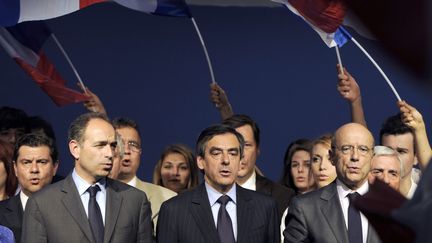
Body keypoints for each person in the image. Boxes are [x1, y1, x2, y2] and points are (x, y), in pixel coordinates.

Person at [21, 112, 153, 243]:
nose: (109, 153)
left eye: (113, 146)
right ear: (75, 149)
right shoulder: (42, 203)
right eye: (100, 145)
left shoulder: (135, 200)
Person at [157, 124, 280, 243]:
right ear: (201, 162)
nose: (226, 160)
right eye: (216, 153)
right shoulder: (174, 210)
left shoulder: (265, 207)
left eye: (233, 153)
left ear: (240, 161)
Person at [337, 65, 431, 198]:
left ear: (416, 157)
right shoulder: (364, 189)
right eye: (387, 150)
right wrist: (355, 102)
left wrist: (420, 128)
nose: (394, 157)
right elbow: (363, 141)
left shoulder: (423, 193)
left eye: (401, 151)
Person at [284, 123, 381, 243]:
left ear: (373, 157)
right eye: (346, 149)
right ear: (332, 156)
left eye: (363, 149)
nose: (355, 156)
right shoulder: (304, 208)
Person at [222, 115, 295, 224]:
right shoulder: (204, 196)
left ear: (257, 150)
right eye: (234, 145)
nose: (241, 154)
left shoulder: (282, 197)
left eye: (246, 145)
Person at [113, 117, 177, 230]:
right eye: (119, 144)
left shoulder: (168, 199)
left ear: (140, 153)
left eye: (133, 144)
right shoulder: (93, 196)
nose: (127, 151)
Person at [0, 133, 59, 243]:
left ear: (55, 167)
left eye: (42, 162)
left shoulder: (72, 211)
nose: (34, 169)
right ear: (15, 168)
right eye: (26, 162)